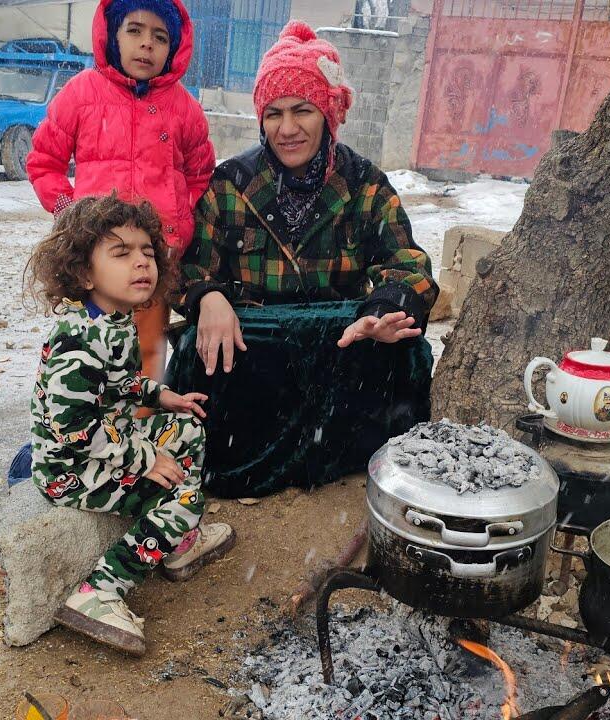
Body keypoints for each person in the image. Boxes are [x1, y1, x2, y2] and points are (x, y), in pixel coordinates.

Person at [169, 22, 439, 498]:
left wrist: (384, 311)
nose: (287, 129)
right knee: (196, 347)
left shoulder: (365, 184)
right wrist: (207, 296)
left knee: (408, 350)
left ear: (328, 115)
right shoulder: (231, 184)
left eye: (302, 110)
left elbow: (408, 265)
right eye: (274, 113)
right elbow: (188, 270)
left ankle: (361, 459)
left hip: (340, 350)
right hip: (256, 352)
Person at [24, 195, 235, 657]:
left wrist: (161, 396)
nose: (141, 263)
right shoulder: (78, 343)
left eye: (147, 252)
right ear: (84, 273)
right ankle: (100, 591)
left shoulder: (112, 319)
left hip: (109, 443)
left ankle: (176, 543)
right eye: (121, 253)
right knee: (187, 499)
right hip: (72, 470)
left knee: (188, 429)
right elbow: (74, 429)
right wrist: (146, 459)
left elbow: (120, 381)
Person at [27, 0, 214, 384]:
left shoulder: (184, 108)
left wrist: (180, 223)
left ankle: (143, 418)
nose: (147, 44)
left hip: (154, 261)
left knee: (147, 356)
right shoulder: (81, 94)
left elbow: (200, 176)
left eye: (160, 37)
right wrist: (70, 214)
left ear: (173, 48)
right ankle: (81, 416)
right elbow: (44, 162)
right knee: (90, 352)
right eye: (135, 30)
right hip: (98, 262)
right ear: (112, 35)